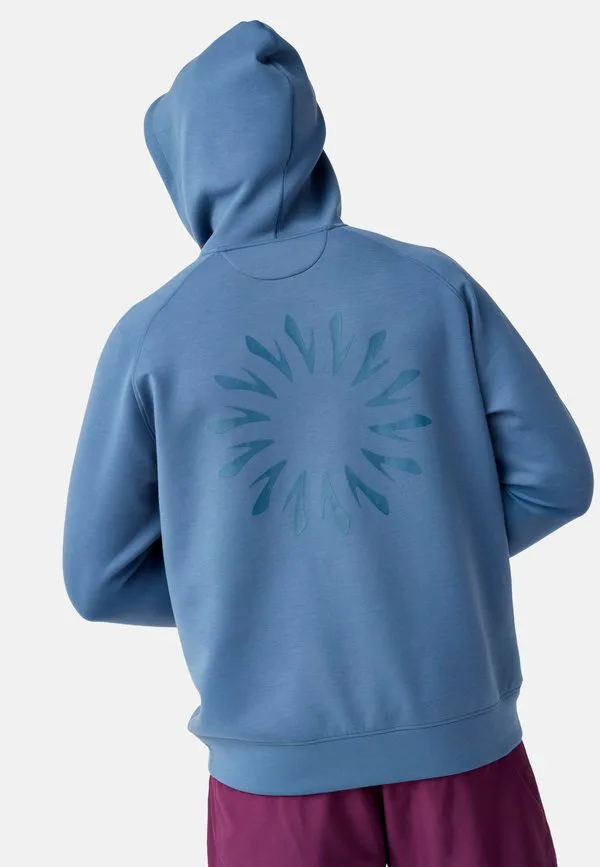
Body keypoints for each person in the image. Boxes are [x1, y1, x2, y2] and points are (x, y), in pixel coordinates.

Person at [63, 20, 593, 867]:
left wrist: (246, 590)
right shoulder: (434, 285)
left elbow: (99, 580)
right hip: (463, 745)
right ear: (309, 139)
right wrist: (426, 552)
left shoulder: (151, 336)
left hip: (270, 777)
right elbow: (558, 480)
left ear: (183, 160)